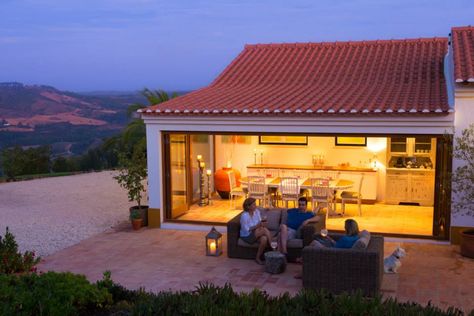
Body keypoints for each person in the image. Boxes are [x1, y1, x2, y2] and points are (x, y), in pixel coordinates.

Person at [240, 197, 273, 265]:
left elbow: (260, 221)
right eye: (254, 205)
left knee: (264, 239)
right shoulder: (244, 216)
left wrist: (262, 224)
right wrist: (258, 226)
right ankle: (273, 248)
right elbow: (246, 229)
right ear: (248, 206)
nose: (256, 206)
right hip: (247, 235)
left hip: (256, 232)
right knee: (264, 230)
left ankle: (257, 258)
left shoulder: (256, 212)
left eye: (255, 204)